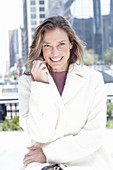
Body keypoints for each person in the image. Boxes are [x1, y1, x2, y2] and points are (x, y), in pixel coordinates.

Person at [19, 16, 113, 170]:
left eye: (61, 44)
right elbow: (40, 135)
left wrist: (47, 153)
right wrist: (40, 85)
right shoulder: (27, 82)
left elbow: (94, 135)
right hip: (44, 165)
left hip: (87, 161)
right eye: (47, 45)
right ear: (40, 48)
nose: (54, 52)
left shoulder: (93, 79)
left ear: (71, 44)